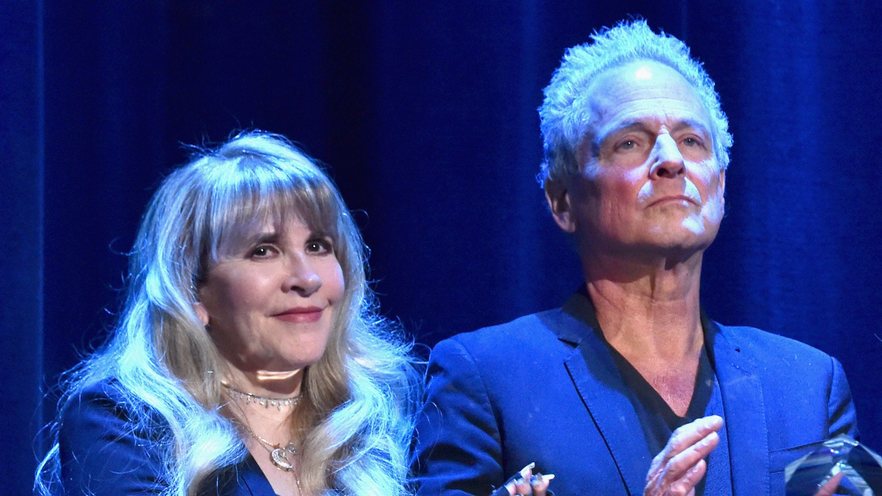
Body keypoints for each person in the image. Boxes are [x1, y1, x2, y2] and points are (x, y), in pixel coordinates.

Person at [410, 20, 858, 495]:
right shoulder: (483, 378)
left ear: (721, 186)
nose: (671, 160)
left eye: (692, 141)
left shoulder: (810, 384)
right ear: (562, 200)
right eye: (630, 143)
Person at [35, 131, 419, 495]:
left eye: (318, 246)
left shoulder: (391, 416)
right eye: (263, 251)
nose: (307, 279)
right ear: (191, 292)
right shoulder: (125, 422)